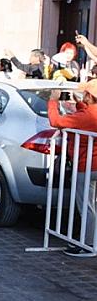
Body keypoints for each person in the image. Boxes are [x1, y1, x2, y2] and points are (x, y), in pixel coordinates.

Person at [47, 81, 97, 257]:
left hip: (86, 165)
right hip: (91, 164)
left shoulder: (86, 116)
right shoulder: (88, 113)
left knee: (87, 207)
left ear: (89, 96)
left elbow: (56, 121)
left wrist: (53, 101)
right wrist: (79, 103)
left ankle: (87, 244)